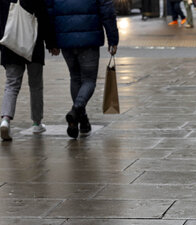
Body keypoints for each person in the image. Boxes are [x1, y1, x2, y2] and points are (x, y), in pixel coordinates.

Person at [46, 0, 118, 139]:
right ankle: (76, 109)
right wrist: (113, 39)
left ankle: (82, 121)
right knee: (89, 80)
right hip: (89, 38)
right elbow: (107, 10)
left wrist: (51, 41)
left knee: (75, 78)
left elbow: (49, 11)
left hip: (65, 36)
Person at [0, 0, 58, 141]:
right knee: (36, 86)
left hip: (10, 45)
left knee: (11, 84)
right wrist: (51, 43)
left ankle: (5, 120)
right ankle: (37, 123)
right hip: (33, 46)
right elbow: (44, 19)